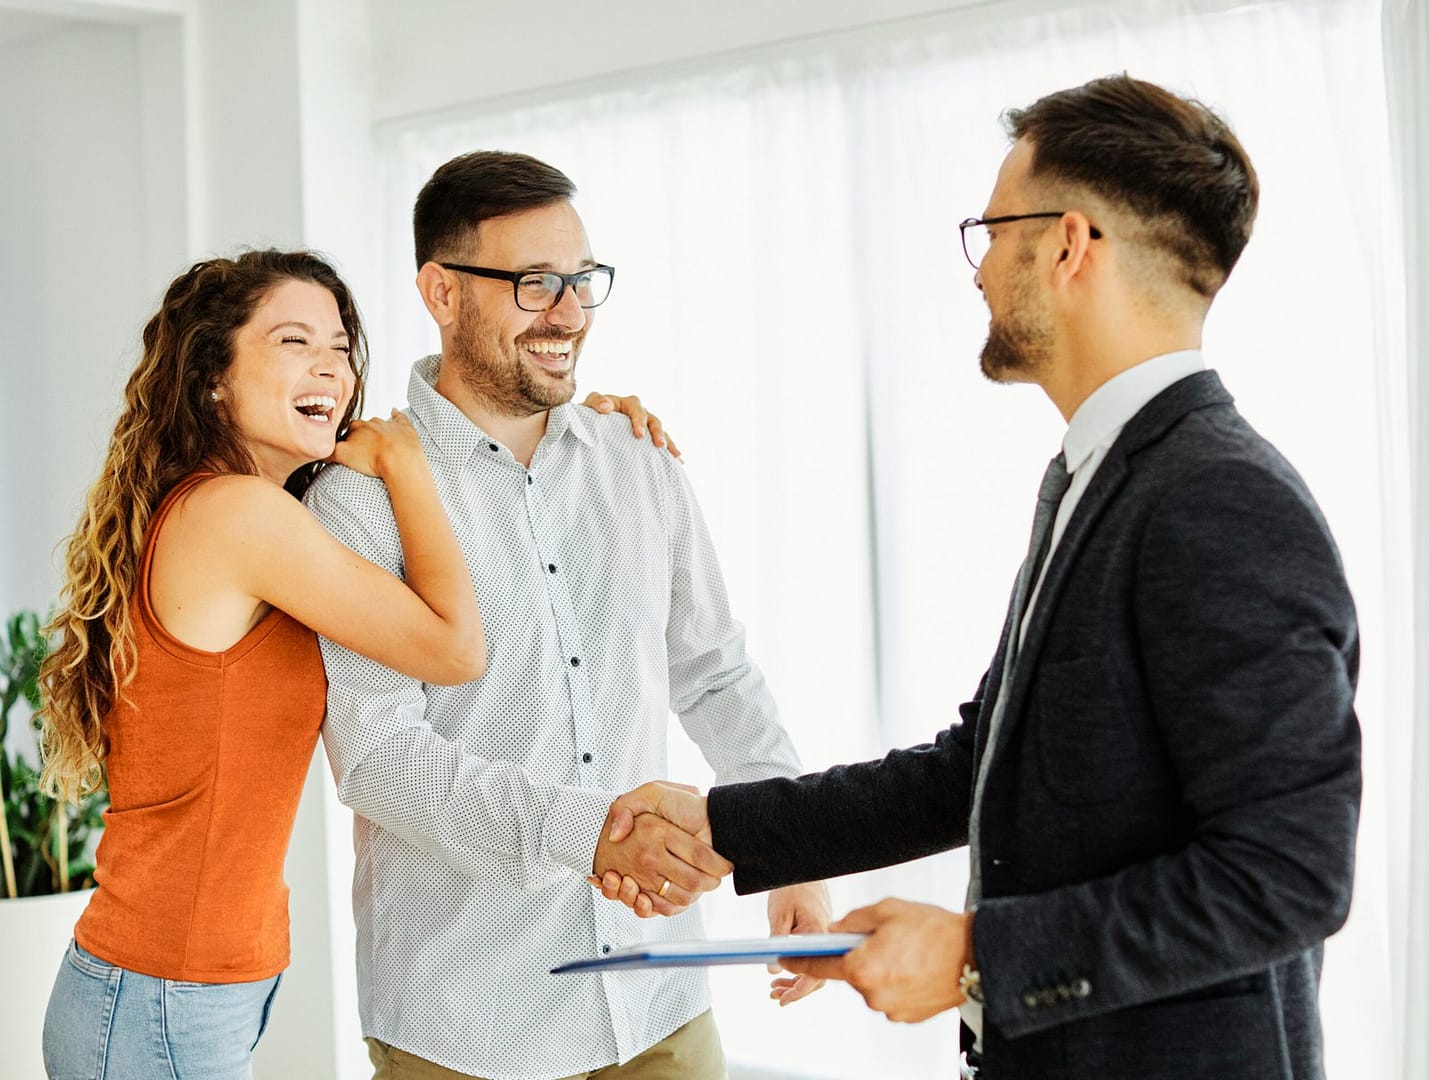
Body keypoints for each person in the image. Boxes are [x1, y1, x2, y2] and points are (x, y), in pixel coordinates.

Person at [602, 74, 1362, 1080]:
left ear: (1067, 244)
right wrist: (730, 826)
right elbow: (988, 763)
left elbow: (1287, 875)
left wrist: (974, 955)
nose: (977, 273)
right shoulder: (1096, 479)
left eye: (993, 230)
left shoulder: (1217, 499)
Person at [35, 248, 661, 1079]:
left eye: (339, 345)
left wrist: (578, 428)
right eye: (293, 341)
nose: (330, 366)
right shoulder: (236, 516)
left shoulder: (255, 512)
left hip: (185, 984)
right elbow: (454, 649)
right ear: (212, 376)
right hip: (159, 989)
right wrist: (406, 464)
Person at [304, 150, 830, 1080]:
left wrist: (789, 840)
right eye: (534, 283)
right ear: (441, 291)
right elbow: (380, 754)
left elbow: (712, 671)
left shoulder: (639, 459)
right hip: (464, 1021)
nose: (570, 314)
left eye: (583, 280)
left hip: (658, 997)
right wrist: (584, 827)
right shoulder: (360, 498)